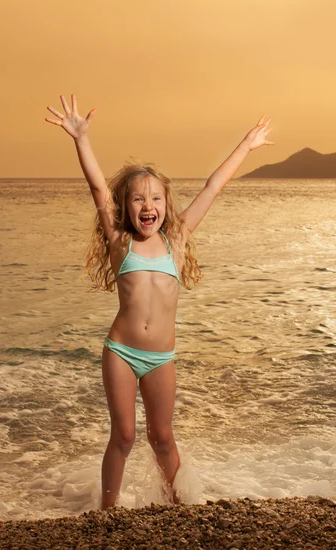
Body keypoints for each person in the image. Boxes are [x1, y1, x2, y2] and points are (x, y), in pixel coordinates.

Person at [45, 94, 273, 509]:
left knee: (162, 437)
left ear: (166, 205)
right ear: (125, 207)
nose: (147, 206)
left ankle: (178, 503)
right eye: (137, 199)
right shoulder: (119, 242)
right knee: (125, 436)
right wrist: (80, 138)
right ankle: (108, 511)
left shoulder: (177, 240)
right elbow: (97, 185)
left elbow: (213, 186)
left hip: (161, 356)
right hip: (121, 351)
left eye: (155, 198)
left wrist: (246, 145)